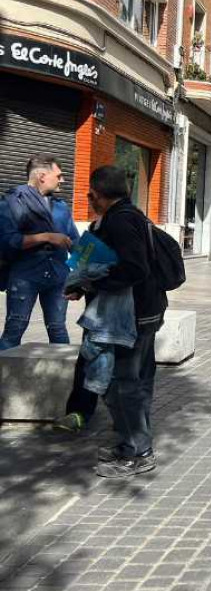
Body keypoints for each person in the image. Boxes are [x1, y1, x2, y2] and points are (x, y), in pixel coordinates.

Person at [58, 166, 167, 479]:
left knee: (121, 386)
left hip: (128, 320)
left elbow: (134, 269)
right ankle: (131, 445)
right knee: (138, 384)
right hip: (146, 313)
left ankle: (139, 452)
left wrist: (91, 284)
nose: (89, 200)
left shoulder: (120, 222)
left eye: (91, 195)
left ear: (97, 194)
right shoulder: (133, 216)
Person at [0, 156, 78, 350]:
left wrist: (87, 274)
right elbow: (7, 241)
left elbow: (75, 242)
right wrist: (46, 237)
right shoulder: (11, 203)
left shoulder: (61, 207)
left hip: (58, 277)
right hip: (25, 276)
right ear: (43, 176)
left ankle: (63, 378)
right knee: (14, 328)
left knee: (58, 329)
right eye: (58, 175)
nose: (62, 180)